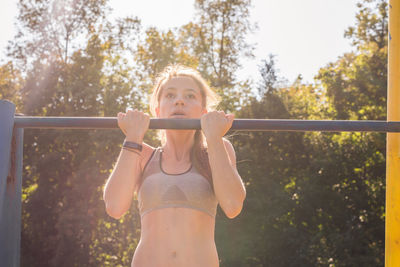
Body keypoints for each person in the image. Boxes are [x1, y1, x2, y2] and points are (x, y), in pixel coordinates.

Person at [103, 64, 247, 267]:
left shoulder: (216, 149)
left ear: (203, 112)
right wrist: (133, 137)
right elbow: (114, 207)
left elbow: (233, 206)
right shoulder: (142, 154)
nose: (179, 101)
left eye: (190, 96)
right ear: (157, 110)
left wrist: (213, 137)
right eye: (170, 95)